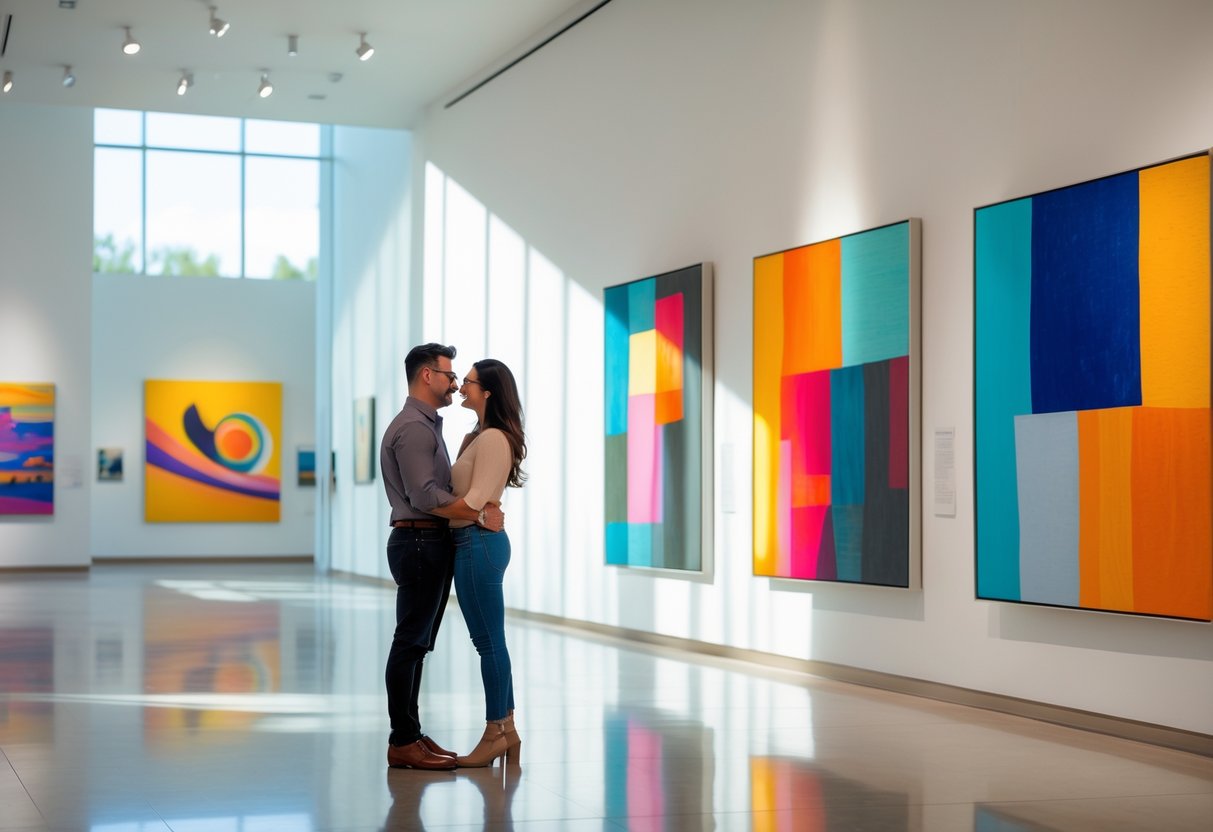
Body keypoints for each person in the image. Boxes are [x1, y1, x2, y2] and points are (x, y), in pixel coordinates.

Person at [381, 343, 504, 770]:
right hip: (419, 542)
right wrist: (477, 514)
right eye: (450, 376)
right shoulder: (415, 429)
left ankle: (411, 734)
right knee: (409, 643)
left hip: (426, 541)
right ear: (426, 376)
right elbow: (425, 495)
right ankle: (402, 740)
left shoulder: (426, 426)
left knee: (417, 644)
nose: (454, 384)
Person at [448, 359, 527, 767]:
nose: (461, 386)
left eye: (468, 381)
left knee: (489, 643)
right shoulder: (477, 436)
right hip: (474, 541)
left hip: (478, 544)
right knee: (491, 641)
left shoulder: (494, 438)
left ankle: (496, 731)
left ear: (488, 392)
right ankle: (507, 730)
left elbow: (474, 502)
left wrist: (425, 505)